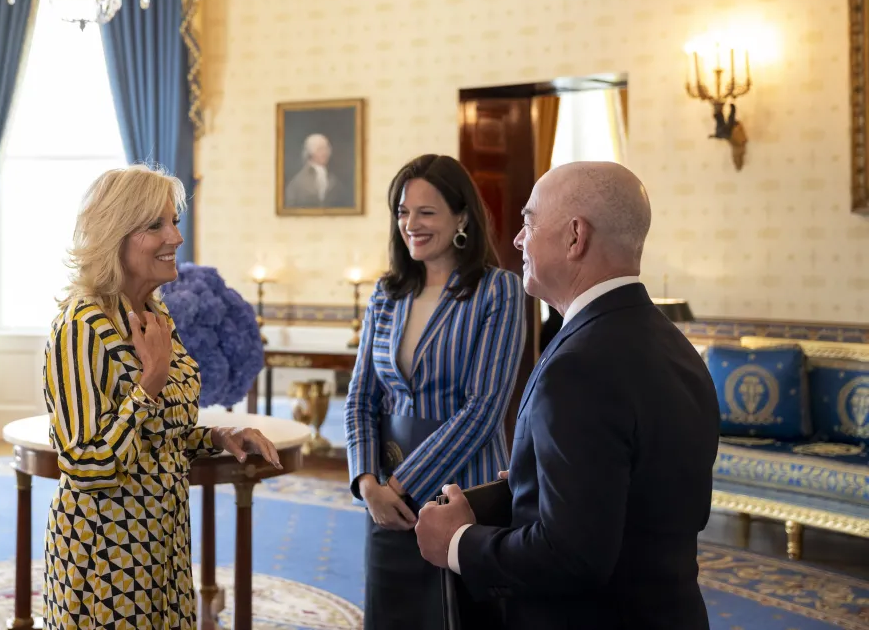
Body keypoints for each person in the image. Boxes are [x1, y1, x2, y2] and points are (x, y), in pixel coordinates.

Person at [414, 161, 720, 630]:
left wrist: (457, 542)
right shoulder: (674, 345)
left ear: (575, 237)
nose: (517, 239)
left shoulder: (580, 365)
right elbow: (639, 492)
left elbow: (571, 556)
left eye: (529, 222)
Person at [41, 164, 282, 629]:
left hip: (162, 544)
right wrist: (149, 382)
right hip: (105, 557)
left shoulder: (154, 312)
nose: (176, 237)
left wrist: (217, 434)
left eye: (174, 221)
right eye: (156, 225)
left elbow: (154, 435)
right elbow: (86, 465)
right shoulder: (79, 327)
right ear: (116, 235)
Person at [344, 154, 526, 628]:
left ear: (461, 216)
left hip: (462, 492)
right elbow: (361, 398)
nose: (411, 224)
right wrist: (367, 484)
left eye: (426, 212)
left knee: (457, 619)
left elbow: (484, 409)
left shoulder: (497, 290)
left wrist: (399, 487)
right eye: (403, 212)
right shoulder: (387, 293)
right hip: (384, 499)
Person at [284, 132, 350, 208]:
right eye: (320, 149)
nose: (325, 153)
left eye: (326, 148)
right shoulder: (297, 182)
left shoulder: (335, 181)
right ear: (310, 152)